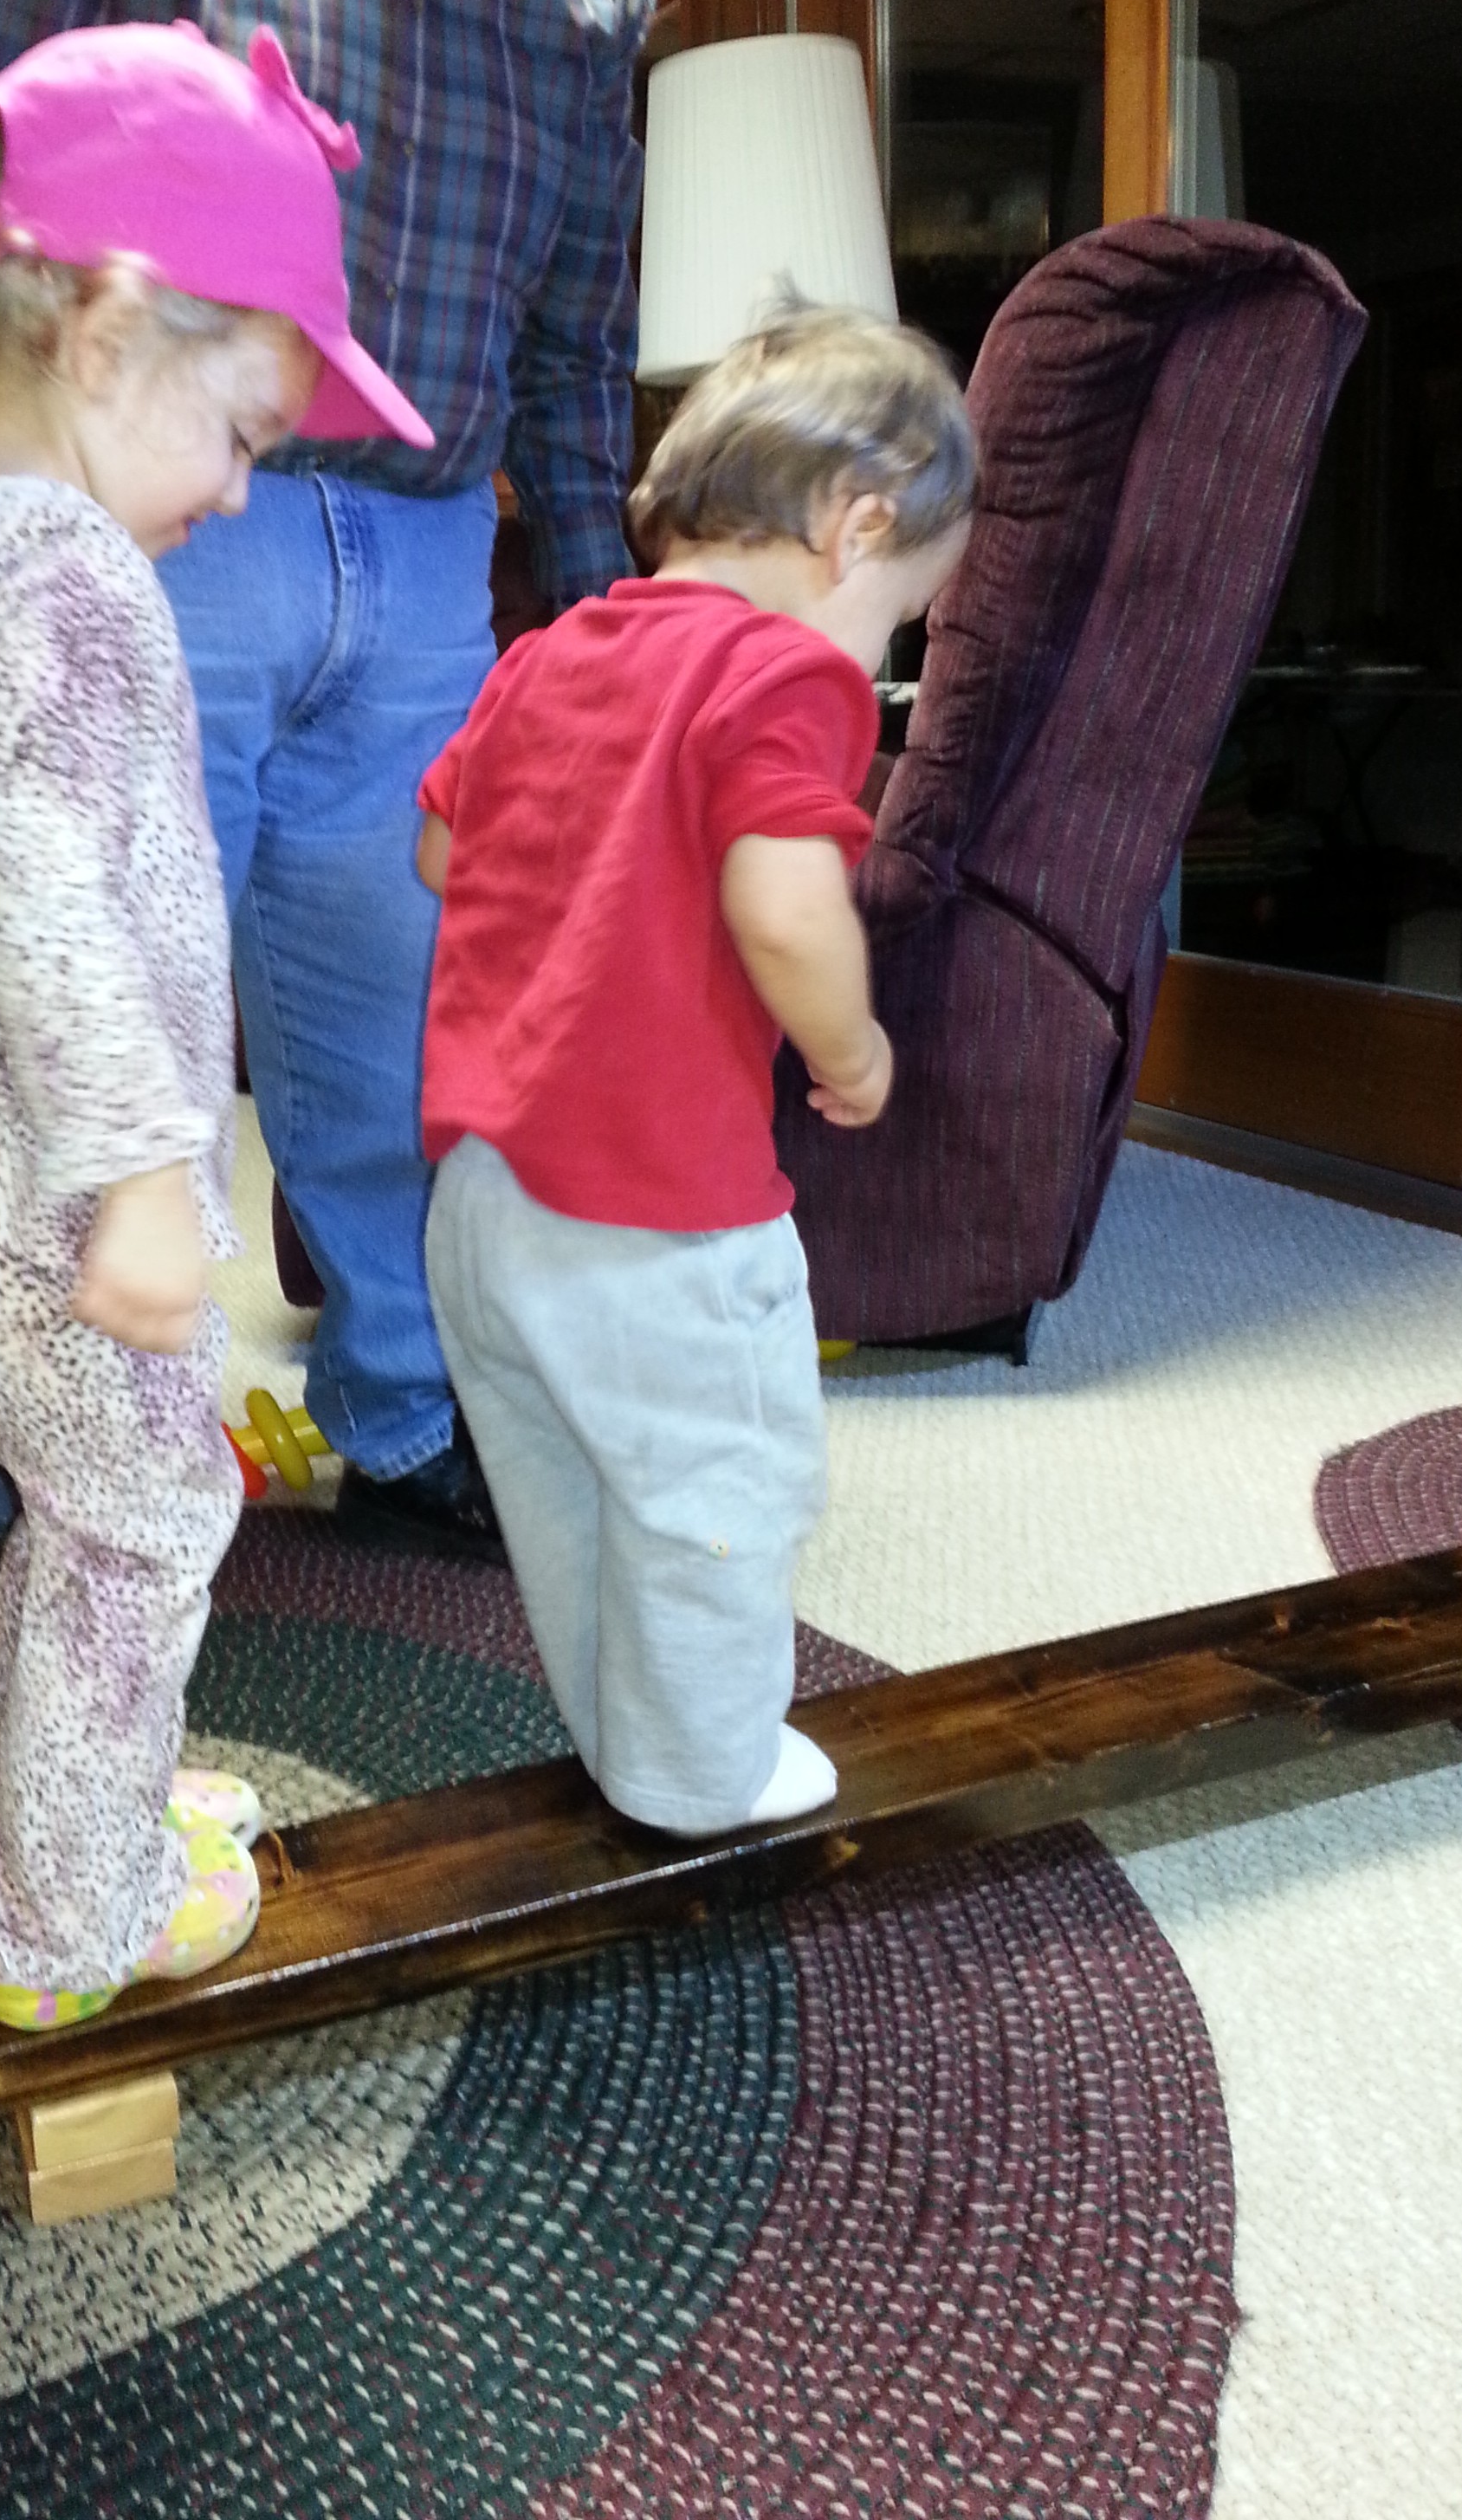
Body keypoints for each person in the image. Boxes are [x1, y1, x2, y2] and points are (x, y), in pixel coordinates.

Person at [0, 0, 651, 1560]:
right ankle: (63, 1468)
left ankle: (411, 1412)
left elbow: (583, 329)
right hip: (125, 511)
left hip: (435, 546)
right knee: (92, 1009)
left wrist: (613, 644)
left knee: (407, 1040)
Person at [0, 21, 434, 2029]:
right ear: (111, 329)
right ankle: (70, 1923)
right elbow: (50, 894)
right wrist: (142, 1181)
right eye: (240, 431)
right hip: (10, 1184)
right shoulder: (63, 574)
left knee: (100, 1509)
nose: (240, 491)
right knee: (149, 1515)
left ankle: (78, 1823)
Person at [416, 308, 978, 1835]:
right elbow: (785, 909)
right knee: (718, 1495)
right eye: (899, 617)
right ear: (858, 529)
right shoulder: (785, 676)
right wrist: (853, 1047)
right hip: (659, 1222)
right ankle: (703, 1780)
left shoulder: (552, 652)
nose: (879, 653)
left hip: (482, 1200)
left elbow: (444, 852)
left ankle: (631, 1742)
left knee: (571, 1494)